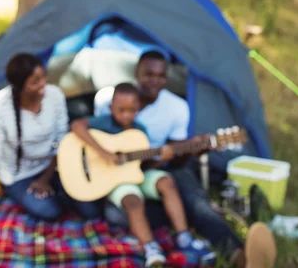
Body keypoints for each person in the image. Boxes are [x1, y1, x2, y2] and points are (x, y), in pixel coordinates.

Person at [94, 50, 277, 268]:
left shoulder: (176, 108)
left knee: (195, 200)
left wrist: (190, 151)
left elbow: (176, 161)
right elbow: (99, 137)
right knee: (117, 215)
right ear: (137, 74)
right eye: (148, 74)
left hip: (161, 170)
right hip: (119, 177)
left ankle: (238, 254)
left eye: (161, 76)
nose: (155, 81)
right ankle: (186, 224)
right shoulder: (112, 99)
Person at [71, 83, 216, 267]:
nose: (126, 115)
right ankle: (150, 248)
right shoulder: (103, 123)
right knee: (133, 201)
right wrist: (103, 153)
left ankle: (184, 237)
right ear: (111, 108)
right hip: (116, 181)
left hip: (137, 174)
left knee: (166, 182)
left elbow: (145, 166)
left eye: (131, 110)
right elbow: (76, 125)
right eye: (120, 110)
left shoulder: (140, 131)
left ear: (138, 109)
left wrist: (163, 159)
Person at [0, 53, 103, 221]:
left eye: (43, 77)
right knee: (49, 211)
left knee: (91, 210)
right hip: (19, 176)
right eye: (35, 82)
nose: (43, 85)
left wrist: (45, 179)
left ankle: (57, 193)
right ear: (19, 86)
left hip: (52, 167)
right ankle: (43, 196)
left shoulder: (54, 95)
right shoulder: (0, 107)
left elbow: (62, 139)